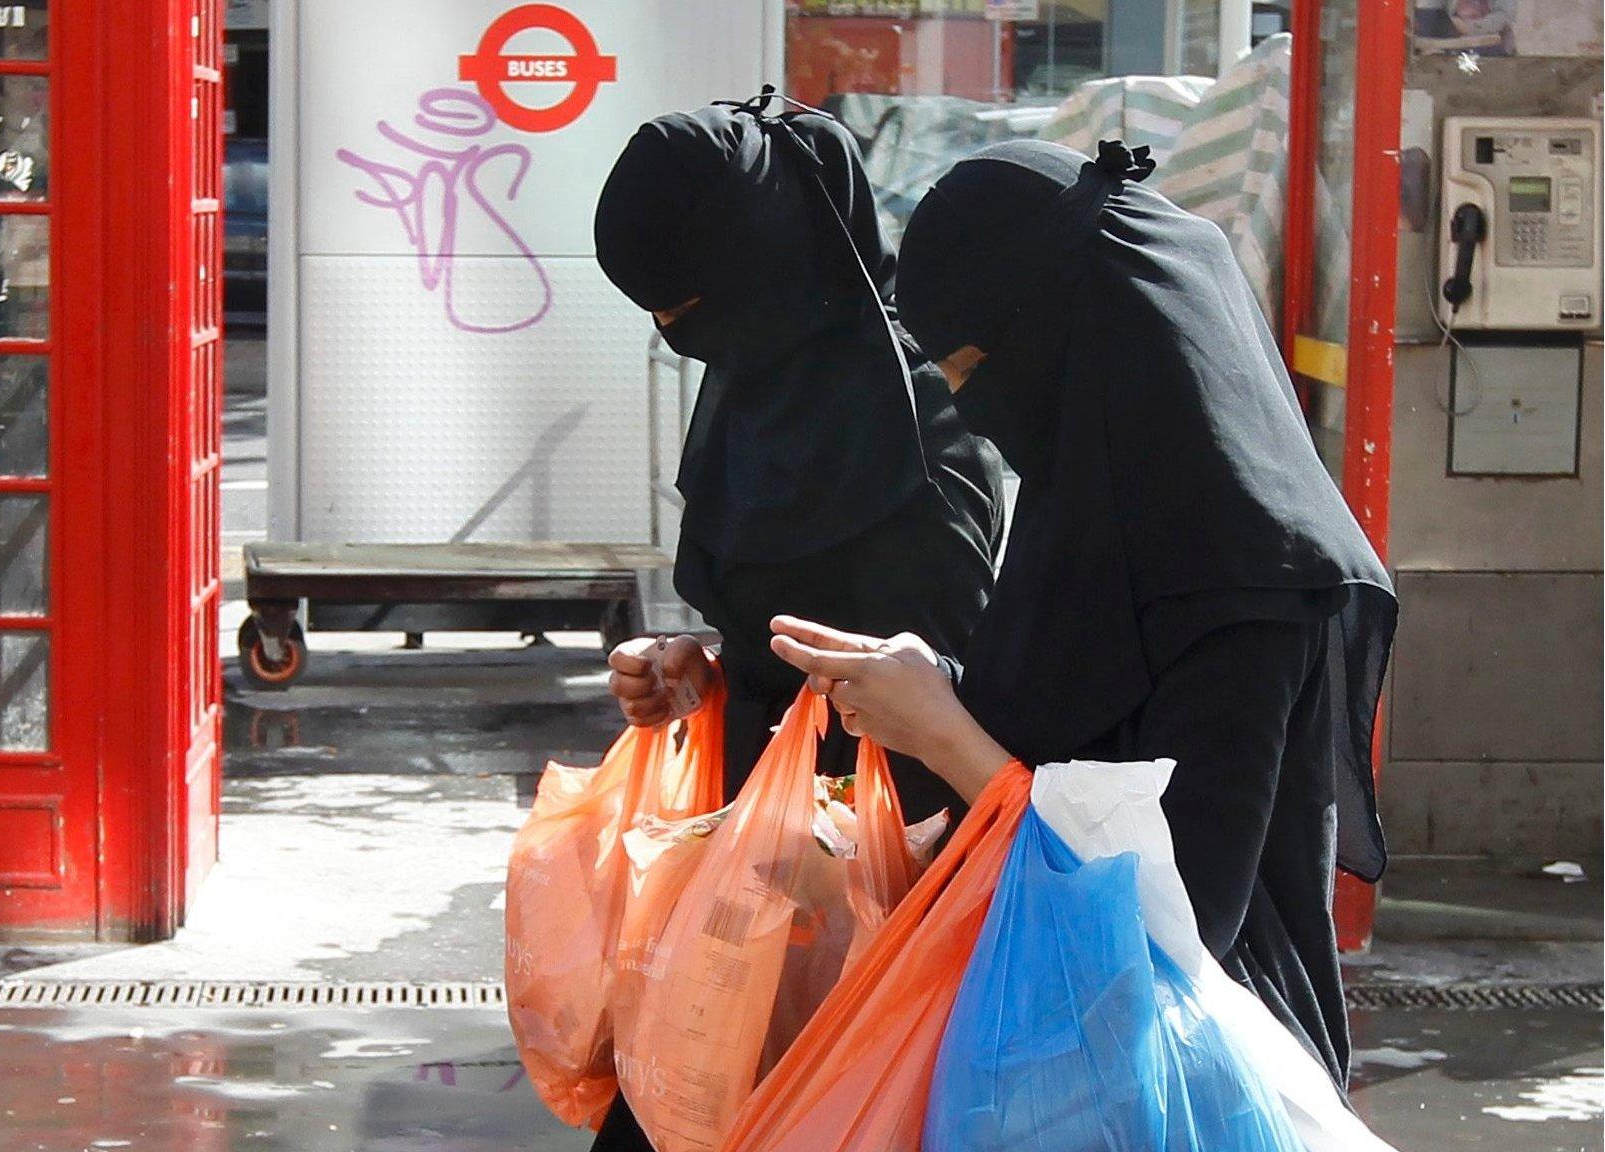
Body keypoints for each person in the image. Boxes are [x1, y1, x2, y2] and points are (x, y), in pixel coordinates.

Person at [770, 138, 1397, 1091]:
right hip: (1058, 1057)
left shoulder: (1242, 571)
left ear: (1080, 339)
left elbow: (1173, 916)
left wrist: (946, 737)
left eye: (975, 368)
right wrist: (925, 698)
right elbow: (1069, 744)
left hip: (1198, 1082)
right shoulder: (1097, 512)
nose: (970, 408)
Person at [590, 100, 1005, 1152]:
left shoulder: (916, 426)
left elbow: (940, 687)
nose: (669, 332)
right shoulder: (752, 378)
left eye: (681, 303)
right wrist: (696, 667)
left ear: (757, 269)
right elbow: (768, 613)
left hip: (873, 906)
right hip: (749, 873)